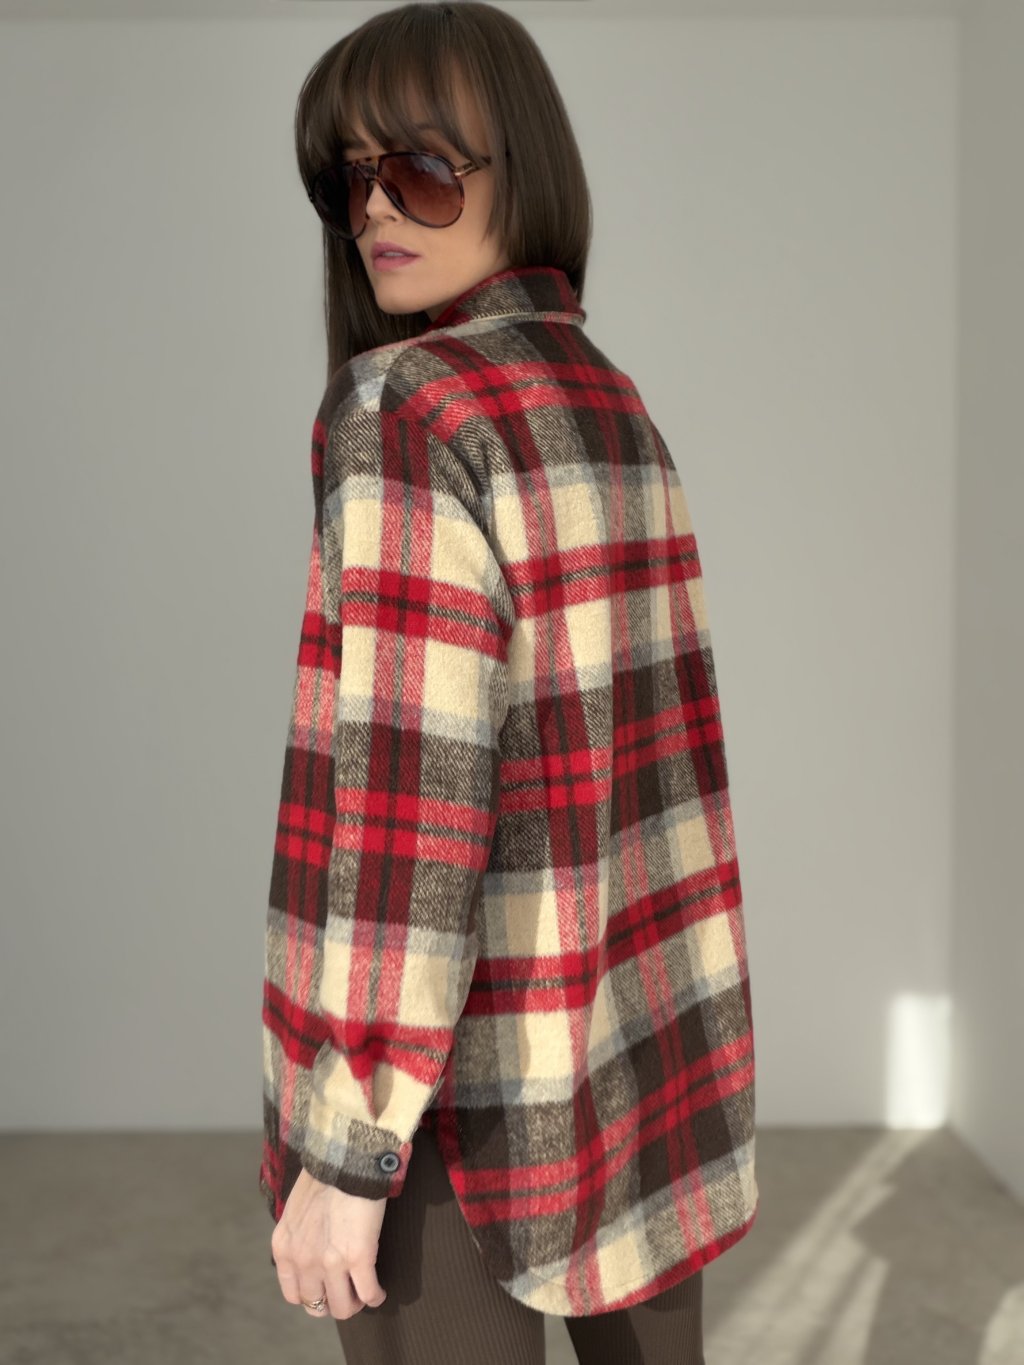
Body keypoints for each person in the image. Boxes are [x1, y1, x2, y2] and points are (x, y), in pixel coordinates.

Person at [258, 4, 759, 1362]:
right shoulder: (606, 397)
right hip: (634, 1057)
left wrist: (352, 1151)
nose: (377, 209)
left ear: (518, 170)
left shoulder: (404, 408)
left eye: (421, 169)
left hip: (455, 1102)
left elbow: (413, 813)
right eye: (349, 178)